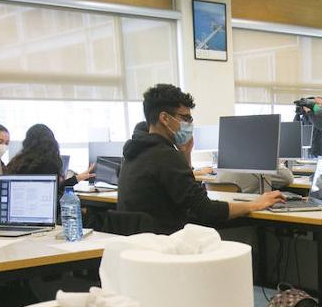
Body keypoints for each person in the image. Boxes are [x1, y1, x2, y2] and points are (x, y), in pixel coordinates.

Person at [118, 83, 281, 234]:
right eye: (186, 118)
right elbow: (205, 210)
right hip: (166, 248)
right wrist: (256, 203)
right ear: (165, 118)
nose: (190, 123)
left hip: (139, 249)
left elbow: (183, 194)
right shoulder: (165, 156)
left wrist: (185, 154)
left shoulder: (136, 152)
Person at [4, 124, 94, 188]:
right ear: (51, 142)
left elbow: (55, 188)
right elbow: (56, 193)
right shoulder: (48, 164)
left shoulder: (16, 162)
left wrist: (77, 178)